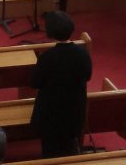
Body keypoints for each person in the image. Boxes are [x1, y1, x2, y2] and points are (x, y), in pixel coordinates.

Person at [31, 11, 92, 158]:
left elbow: (35, 83)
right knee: (68, 148)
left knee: (50, 151)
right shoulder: (83, 53)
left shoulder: (47, 57)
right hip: (74, 112)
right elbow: (87, 76)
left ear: (50, 32)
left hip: (50, 115)